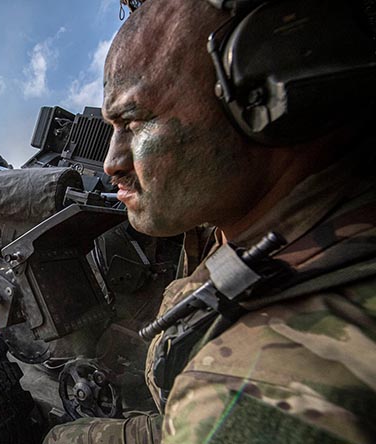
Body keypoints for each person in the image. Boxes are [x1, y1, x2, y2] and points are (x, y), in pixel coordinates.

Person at [44, 0, 376, 443]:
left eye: (133, 121)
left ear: (268, 85)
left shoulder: (248, 389)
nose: (111, 162)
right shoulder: (303, 222)